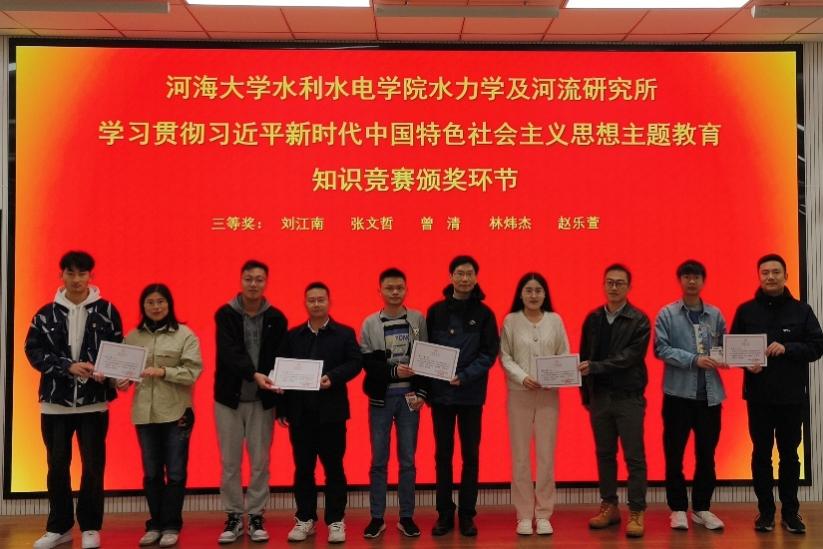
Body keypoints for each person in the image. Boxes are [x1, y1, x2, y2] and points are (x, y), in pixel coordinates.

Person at [25, 251, 123, 549]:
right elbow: (33, 351)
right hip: (54, 404)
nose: (77, 279)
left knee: (93, 465)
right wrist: (67, 366)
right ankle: (59, 527)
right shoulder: (45, 314)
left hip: (94, 403)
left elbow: (118, 351)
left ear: (91, 276)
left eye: (82, 273)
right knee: (57, 466)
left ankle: (91, 526)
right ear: (61, 275)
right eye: (71, 273)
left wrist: (112, 374)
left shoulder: (107, 311)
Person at [731, 253, 823, 534]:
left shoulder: (802, 311)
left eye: (775, 272)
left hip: (791, 398)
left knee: (790, 456)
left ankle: (791, 513)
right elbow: (731, 347)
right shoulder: (746, 311)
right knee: (761, 455)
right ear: (759, 276)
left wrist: (788, 348)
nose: (770, 277)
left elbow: (817, 346)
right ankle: (766, 513)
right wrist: (746, 363)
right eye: (765, 272)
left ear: (785, 276)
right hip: (758, 398)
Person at [120, 284, 203, 547]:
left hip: (176, 413)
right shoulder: (132, 337)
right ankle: (155, 524)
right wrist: (119, 381)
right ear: (143, 306)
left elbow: (193, 372)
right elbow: (122, 372)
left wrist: (163, 372)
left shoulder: (185, 335)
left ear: (169, 304)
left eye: (160, 302)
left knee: (176, 473)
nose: (156, 307)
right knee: (151, 473)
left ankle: (171, 525)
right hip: (144, 414)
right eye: (150, 302)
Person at [279, 282, 362, 544]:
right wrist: (282, 409)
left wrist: (333, 377)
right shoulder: (293, 336)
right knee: (303, 469)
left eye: (321, 299)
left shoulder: (344, 333)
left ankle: (336, 520)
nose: (316, 304)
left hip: (332, 415)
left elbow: (356, 362)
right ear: (305, 303)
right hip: (301, 415)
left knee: (334, 468)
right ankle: (305, 518)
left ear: (329, 301)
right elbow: (283, 372)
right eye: (311, 300)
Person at [214, 260, 288, 544]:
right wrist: (254, 374)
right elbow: (229, 353)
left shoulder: (277, 318)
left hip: (262, 401)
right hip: (229, 400)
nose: (253, 284)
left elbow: (281, 359)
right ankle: (233, 515)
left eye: (259, 279)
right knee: (230, 462)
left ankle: (256, 515)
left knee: (260, 462)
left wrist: (281, 399)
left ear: (266, 282)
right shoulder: (225, 314)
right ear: (241, 280)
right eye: (248, 279)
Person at [427, 255, 499, 537]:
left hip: (470, 394)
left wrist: (465, 376)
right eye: (460, 273)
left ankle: (467, 514)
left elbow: (489, 354)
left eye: (469, 273)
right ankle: (444, 514)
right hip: (441, 395)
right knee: (442, 456)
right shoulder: (435, 311)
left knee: (471, 456)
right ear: (451, 276)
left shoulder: (485, 314)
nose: (465, 278)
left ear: (476, 277)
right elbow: (427, 350)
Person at [578, 263, 650, 538]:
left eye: (620, 283)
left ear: (629, 287)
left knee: (634, 457)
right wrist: (586, 395)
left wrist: (596, 367)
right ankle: (609, 505)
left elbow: (630, 357)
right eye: (609, 282)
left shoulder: (639, 319)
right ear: (603, 285)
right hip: (600, 398)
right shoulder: (593, 318)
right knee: (605, 454)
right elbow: (583, 356)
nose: (614, 287)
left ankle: (637, 510)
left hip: (628, 397)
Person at [654, 260, 727, 531]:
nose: (692, 281)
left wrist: (738, 358)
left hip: (710, 397)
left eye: (696, 277)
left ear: (703, 281)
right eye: (687, 276)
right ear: (680, 280)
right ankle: (677, 509)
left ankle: (701, 508)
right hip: (677, 396)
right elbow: (661, 349)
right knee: (674, 455)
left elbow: (725, 347)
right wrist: (693, 359)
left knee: (707, 455)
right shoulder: (667, 314)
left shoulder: (715, 314)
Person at [500, 272, 569, 536]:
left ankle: (543, 514)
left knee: (545, 456)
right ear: (520, 294)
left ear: (545, 294)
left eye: (538, 290)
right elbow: (505, 356)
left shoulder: (555, 320)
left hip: (549, 396)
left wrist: (556, 377)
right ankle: (523, 514)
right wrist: (522, 377)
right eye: (528, 290)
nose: (533, 295)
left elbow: (563, 353)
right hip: (519, 394)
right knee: (520, 457)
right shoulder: (511, 320)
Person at [360, 268, 428, 539]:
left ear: (406, 289)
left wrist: (422, 393)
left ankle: (406, 517)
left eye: (400, 287)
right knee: (379, 460)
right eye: (389, 288)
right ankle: (377, 517)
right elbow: (367, 363)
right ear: (380, 290)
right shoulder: (370, 323)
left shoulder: (417, 319)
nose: (395, 292)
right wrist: (392, 372)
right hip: (381, 400)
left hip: (410, 400)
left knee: (408, 460)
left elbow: (427, 358)